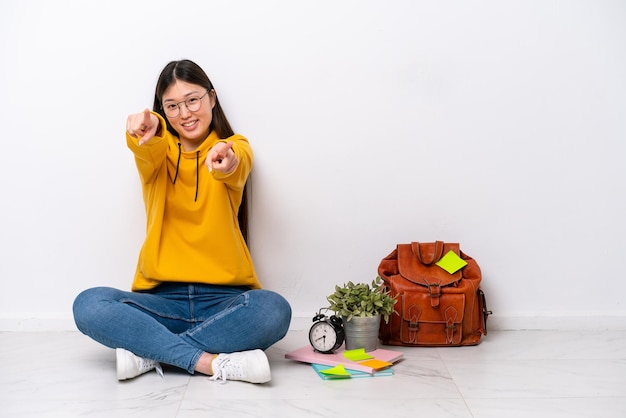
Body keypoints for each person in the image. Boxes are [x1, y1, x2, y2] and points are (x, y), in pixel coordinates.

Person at [73, 59, 291, 384]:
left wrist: (226, 160)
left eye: (192, 100)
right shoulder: (156, 151)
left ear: (212, 98)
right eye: (172, 106)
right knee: (88, 304)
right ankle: (208, 362)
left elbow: (236, 160)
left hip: (224, 302)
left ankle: (150, 352)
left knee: (274, 309)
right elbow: (147, 144)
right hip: (162, 302)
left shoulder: (233, 146)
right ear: (161, 111)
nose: (185, 114)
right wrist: (145, 128)